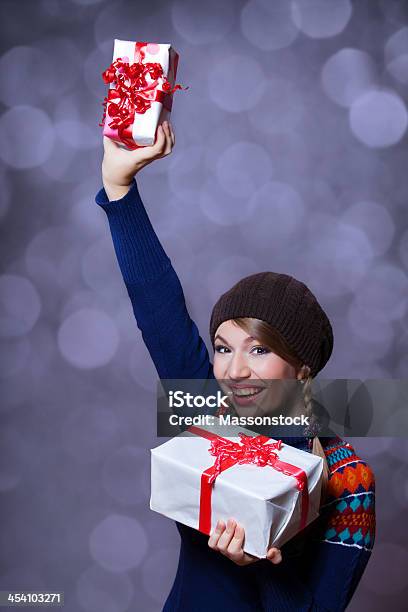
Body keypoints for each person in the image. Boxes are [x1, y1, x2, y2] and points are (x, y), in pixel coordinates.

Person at [95, 122, 376, 611]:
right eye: (224, 348)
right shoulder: (211, 414)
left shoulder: (348, 482)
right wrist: (121, 190)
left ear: (302, 368)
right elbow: (159, 309)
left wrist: (268, 562)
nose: (235, 370)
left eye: (260, 350)